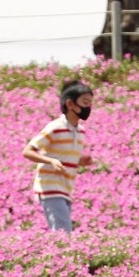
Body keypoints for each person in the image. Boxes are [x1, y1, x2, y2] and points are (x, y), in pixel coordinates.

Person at [22, 80, 95, 233]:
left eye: (90, 103)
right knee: (62, 233)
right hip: (49, 186)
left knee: (62, 232)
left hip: (66, 187)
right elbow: (28, 151)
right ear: (70, 104)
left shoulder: (80, 131)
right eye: (85, 102)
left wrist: (80, 161)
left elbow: (65, 159)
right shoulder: (55, 127)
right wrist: (51, 161)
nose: (88, 107)